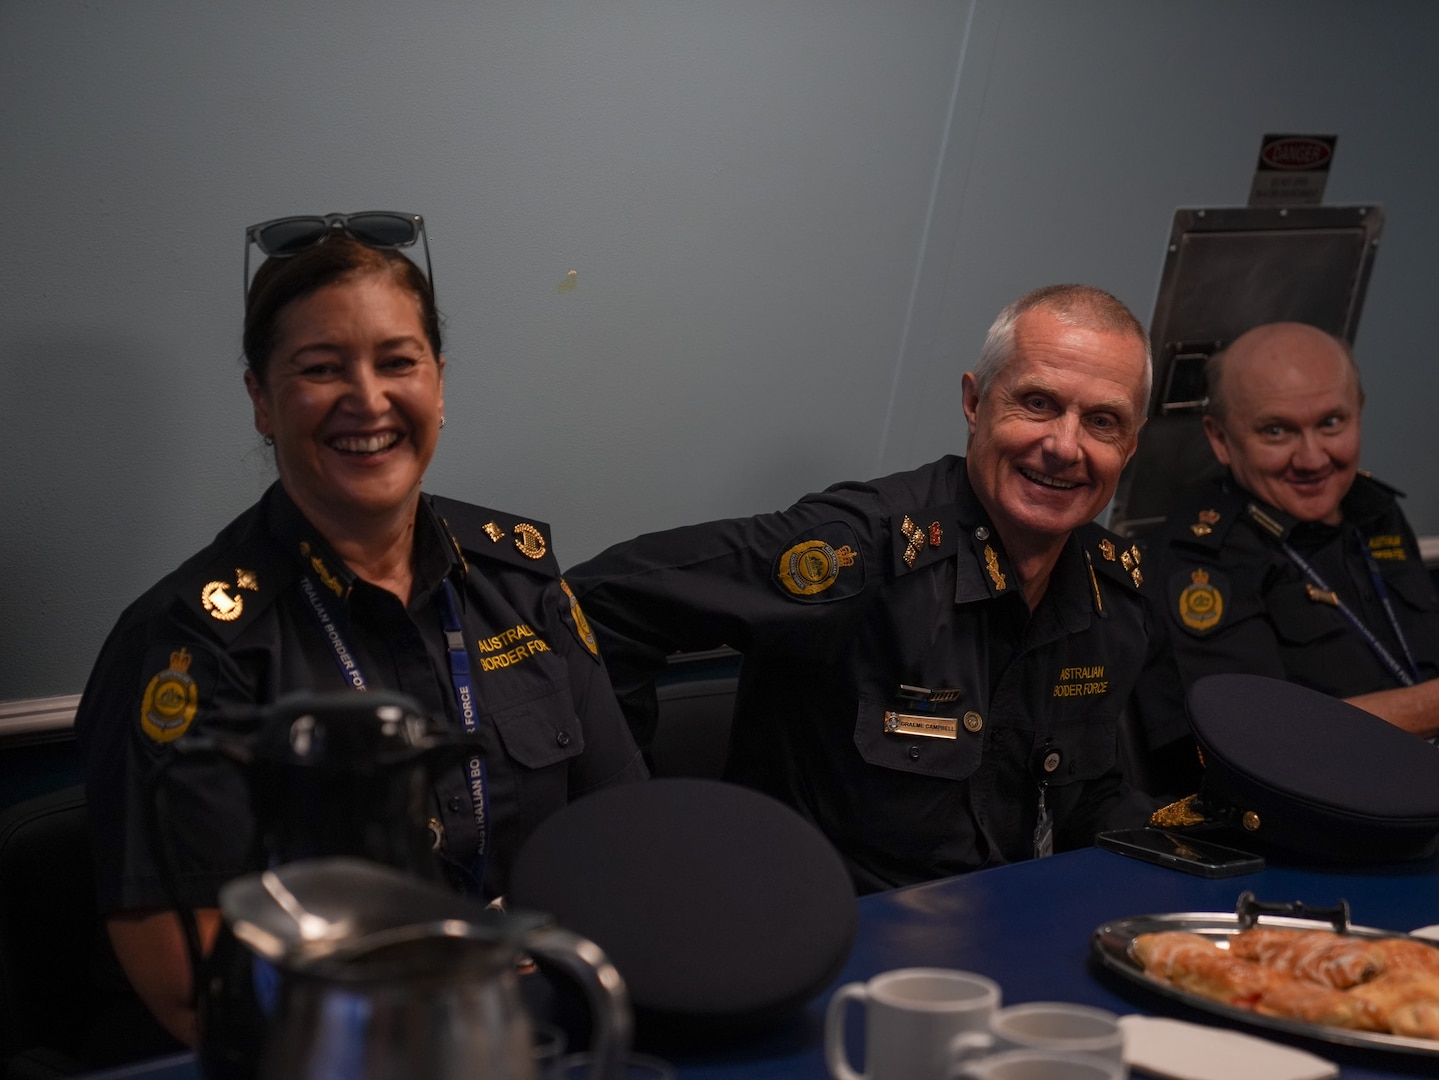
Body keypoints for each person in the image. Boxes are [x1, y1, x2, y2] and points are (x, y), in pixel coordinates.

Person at [73, 212, 646, 1046]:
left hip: (542, 1033)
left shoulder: (519, 583)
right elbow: (190, 987)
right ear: (262, 402)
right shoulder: (190, 644)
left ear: (439, 384)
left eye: (398, 362)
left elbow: (625, 839)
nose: (368, 400)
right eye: (320, 369)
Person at [566, 284, 1191, 894]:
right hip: (829, 941)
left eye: (1102, 422)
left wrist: (1197, 845)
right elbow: (598, 601)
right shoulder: (866, 550)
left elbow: (1084, 798)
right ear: (976, 403)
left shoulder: (1113, 591)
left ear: (1129, 446)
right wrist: (632, 832)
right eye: (1038, 403)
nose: (1064, 446)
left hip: (1003, 934)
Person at [1136, 321, 1439, 738]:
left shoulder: (1374, 510)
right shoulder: (1202, 560)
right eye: (1276, 431)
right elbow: (1265, 738)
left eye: (1332, 422)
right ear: (1220, 438)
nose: (1313, 459)